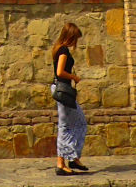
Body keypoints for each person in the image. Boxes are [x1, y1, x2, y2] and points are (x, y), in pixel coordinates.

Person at [51, 21, 88, 175]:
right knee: (68, 125)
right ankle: (62, 163)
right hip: (63, 89)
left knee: (76, 122)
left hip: (61, 89)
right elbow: (60, 72)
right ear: (70, 36)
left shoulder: (58, 49)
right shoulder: (64, 50)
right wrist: (74, 77)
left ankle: (72, 158)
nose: (76, 43)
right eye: (75, 39)